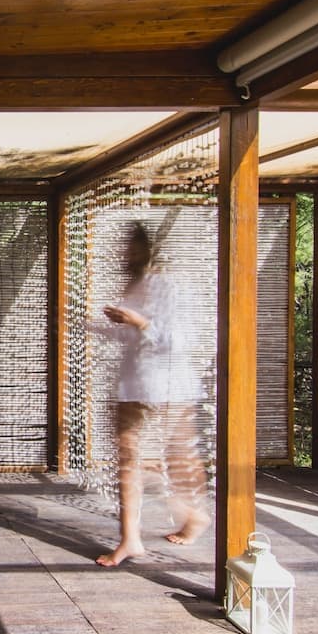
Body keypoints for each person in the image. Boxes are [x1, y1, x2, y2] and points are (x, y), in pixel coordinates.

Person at [93, 221, 210, 567]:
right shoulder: (134, 285)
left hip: (171, 384)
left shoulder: (169, 286)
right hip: (135, 382)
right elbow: (132, 338)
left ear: (148, 249)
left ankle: (195, 516)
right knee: (127, 457)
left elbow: (180, 341)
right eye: (124, 246)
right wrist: (100, 325)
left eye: (132, 245)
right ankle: (130, 538)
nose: (125, 252)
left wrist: (139, 322)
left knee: (180, 457)